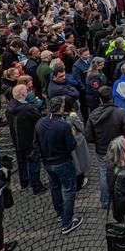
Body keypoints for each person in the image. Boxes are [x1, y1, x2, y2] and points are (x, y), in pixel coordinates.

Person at [35, 97, 83, 234]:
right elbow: (72, 145)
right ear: (61, 109)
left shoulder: (40, 123)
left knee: (55, 188)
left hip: (48, 162)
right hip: (62, 161)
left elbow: (36, 142)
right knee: (69, 190)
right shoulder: (63, 126)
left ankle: (60, 214)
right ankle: (67, 222)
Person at [85, 86, 125, 209]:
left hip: (102, 150)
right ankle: (123, 198)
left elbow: (88, 136)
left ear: (100, 99)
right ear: (112, 97)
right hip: (118, 149)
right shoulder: (121, 112)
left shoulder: (93, 114)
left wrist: (99, 140)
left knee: (104, 173)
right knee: (122, 172)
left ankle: (105, 201)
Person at [5, 85, 44, 194]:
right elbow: (39, 120)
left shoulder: (10, 107)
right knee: (33, 163)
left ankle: (24, 182)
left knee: (22, 162)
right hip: (30, 140)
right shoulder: (28, 108)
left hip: (17, 140)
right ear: (23, 95)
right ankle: (36, 186)